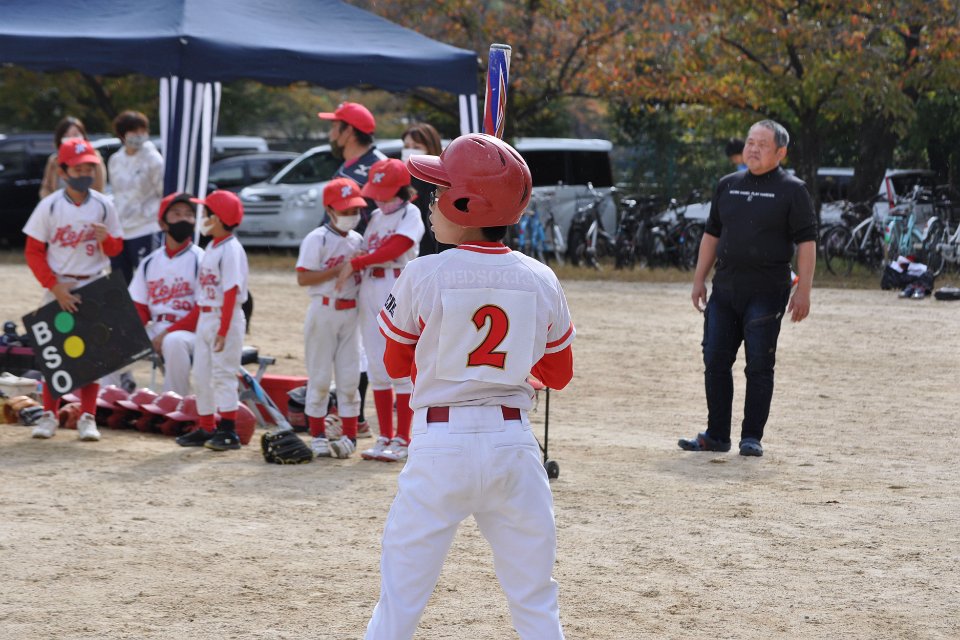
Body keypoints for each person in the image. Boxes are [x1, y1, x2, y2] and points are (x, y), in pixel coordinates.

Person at [363, 133, 575, 639]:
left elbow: (395, 362)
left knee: (400, 601)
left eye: (440, 192)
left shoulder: (422, 272)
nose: (431, 202)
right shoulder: (540, 276)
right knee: (535, 599)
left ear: (467, 205)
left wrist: (449, 361)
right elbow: (559, 375)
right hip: (513, 444)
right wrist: (511, 367)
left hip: (440, 444)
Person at [679, 120, 816, 457]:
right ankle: (716, 435)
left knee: (758, 365)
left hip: (767, 292)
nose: (753, 149)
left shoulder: (793, 190)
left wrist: (804, 290)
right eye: (750, 142)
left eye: (762, 144)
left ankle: (751, 437)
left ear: (781, 152)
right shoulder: (728, 185)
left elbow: (807, 243)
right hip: (725, 289)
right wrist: (699, 279)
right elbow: (711, 235)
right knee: (715, 359)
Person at [22, 138, 124, 441]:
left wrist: (107, 240)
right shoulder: (50, 205)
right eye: (78, 168)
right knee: (53, 355)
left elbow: (116, 248)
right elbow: (33, 251)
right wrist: (54, 287)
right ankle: (49, 415)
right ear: (63, 172)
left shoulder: (104, 205)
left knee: (94, 355)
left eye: (89, 168)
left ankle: (88, 417)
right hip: (60, 283)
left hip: (93, 282)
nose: (84, 173)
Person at [335, 158, 424, 462]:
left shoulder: (410, 213)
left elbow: (396, 248)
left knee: (398, 362)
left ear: (400, 190)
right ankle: (384, 436)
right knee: (376, 364)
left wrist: (358, 262)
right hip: (370, 286)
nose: (379, 199)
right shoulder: (375, 216)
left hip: (395, 284)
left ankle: (403, 438)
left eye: (385, 193)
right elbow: (368, 249)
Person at [317, 101, 386, 435]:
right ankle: (349, 412)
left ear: (350, 132)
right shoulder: (349, 166)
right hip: (347, 266)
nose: (332, 132)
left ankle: (355, 417)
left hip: (367, 268)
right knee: (347, 342)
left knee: (360, 344)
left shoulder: (375, 167)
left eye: (336, 125)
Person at [171, 190, 250, 451]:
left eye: (206, 213)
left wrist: (224, 329)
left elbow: (231, 291)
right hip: (207, 316)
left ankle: (228, 430)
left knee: (223, 374)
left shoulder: (231, 249)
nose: (202, 218)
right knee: (201, 374)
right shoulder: (213, 246)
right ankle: (207, 426)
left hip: (223, 317)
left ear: (217, 218)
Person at [295, 177, 366, 459]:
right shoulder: (318, 238)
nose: (351, 215)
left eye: (355, 210)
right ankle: (317, 435)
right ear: (329, 209)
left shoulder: (358, 239)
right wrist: (338, 270)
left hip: (351, 313)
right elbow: (303, 277)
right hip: (323, 310)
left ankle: (350, 435)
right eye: (345, 210)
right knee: (321, 377)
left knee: (349, 377)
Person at [128, 192, 204, 396]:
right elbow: (140, 308)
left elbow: (202, 311)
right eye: (177, 214)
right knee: (118, 339)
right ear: (162, 223)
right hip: (158, 328)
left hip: (192, 333)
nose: (184, 219)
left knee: (174, 341)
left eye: (189, 214)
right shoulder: (150, 262)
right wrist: (129, 333)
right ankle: (107, 398)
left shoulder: (201, 260)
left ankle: (175, 401)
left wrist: (167, 333)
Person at [108, 110, 164, 283]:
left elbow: (163, 191)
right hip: (120, 230)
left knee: (148, 280)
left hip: (146, 227)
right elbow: (116, 192)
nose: (139, 135)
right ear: (122, 134)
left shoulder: (153, 159)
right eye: (134, 131)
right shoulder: (115, 160)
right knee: (120, 282)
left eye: (143, 130)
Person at [401, 122, 448, 255]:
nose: (410, 151)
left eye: (416, 147)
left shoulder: (439, 183)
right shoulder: (403, 179)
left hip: (432, 254)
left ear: (430, 148)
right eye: (406, 146)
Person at [39, 117, 106, 199]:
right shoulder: (54, 160)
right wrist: (52, 203)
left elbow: (99, 187)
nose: (71, 138)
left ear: (83, 136)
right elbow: (45, 188)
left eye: (75, 134)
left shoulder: (94, 158)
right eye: (66, 135)